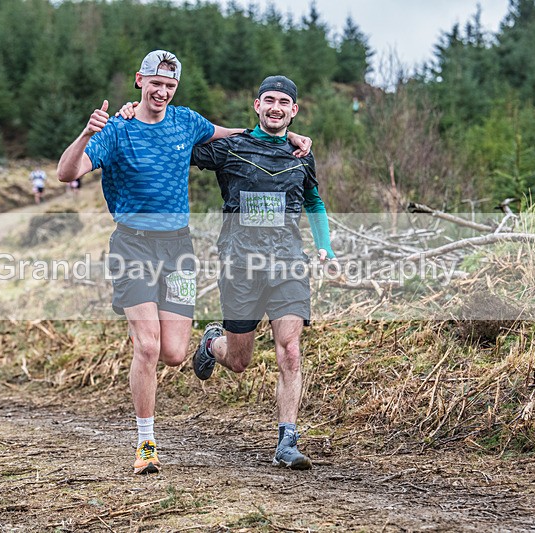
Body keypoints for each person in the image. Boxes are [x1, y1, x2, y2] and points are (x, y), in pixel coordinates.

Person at [57, 50, 310, 476]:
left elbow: (236, 136)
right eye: (155, 84)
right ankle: (146, 444)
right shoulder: (116, 130)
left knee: (174, 354)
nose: (162, 92)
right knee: (149, 346)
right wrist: (86, 133)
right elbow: (67, 173)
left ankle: (202, 348)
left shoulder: (186, 121)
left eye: (170, 87)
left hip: (179, 251)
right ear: (140, 80)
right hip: (132, 248)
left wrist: (289, 138)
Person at [190, 75, 336, 470]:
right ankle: (211, 345)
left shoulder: (300, 155)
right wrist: (139, 115)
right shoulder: (231, 148)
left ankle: (287, 441)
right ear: (257, 105)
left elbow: (314, 200)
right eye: (268, 100)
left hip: (288, 262)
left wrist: (325, 244)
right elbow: (178, 145)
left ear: (294, 110)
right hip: (240, 264)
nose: (275, 107)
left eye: (283, 102)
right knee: (239, 361)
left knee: (289, 349)